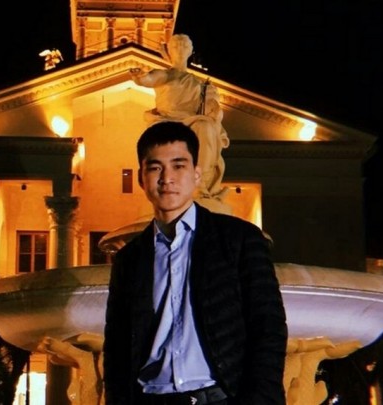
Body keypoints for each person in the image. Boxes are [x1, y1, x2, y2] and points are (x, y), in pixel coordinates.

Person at [103, 121, 288, 404]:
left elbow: (268, 327)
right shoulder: (129, 258)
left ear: (197, 174)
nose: (167, 178)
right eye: (155, 168)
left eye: (178, 166)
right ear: (141, 178)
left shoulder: (239, 239)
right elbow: (116, 345)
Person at [129, 34, 230, 209]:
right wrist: (140, 77)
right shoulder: (165, 75)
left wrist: (212, 104)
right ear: (169, 50)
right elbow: (149, 79)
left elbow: (211, 109)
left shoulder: (197, 82)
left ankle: (199, 184)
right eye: (176, 46)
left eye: (184, 46)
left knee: (206, 126)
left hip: (193, 121)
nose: (180, 50)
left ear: (190, 51)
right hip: (167, 120)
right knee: (198, 128)